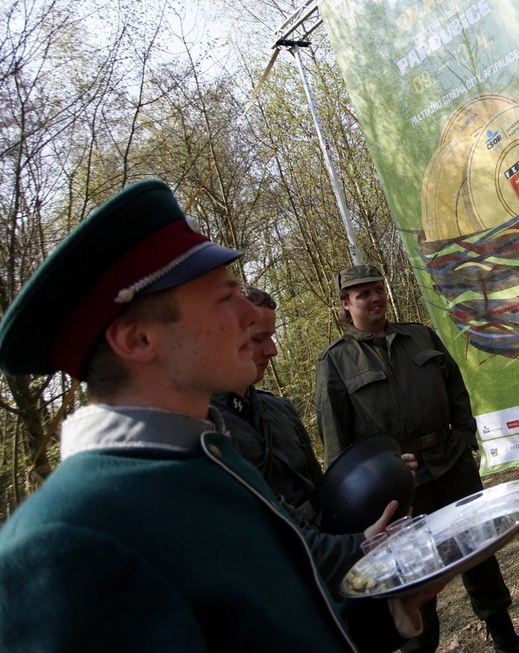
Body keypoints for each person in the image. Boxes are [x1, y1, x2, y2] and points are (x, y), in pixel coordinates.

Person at [0, 179, 415, 650]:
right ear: (138, 340)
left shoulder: (210, 460)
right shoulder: (60, 543)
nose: (247, 315)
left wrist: (390, 608)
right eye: (225, 297)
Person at [316, 264, 519, 653]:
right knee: (415, 575)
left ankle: (506, 639)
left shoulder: (418, 335)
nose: (375, 298)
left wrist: (463, 437)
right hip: (399, 486)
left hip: (450, 461)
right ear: (346, 304)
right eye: (362, 294)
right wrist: (374, 482)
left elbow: (455, 386)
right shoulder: (336, 361)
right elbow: (339, 446)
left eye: (378, 289)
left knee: (479, 550)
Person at [212, 285, 409, 653]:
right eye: (259, 338)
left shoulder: (279, 411)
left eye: (272, 335)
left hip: (335, 579)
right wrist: (360, 546)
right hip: (284, 603)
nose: (272, 350)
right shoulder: (207, 433)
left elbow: (325, 497)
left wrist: (382, 475)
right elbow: (266, 534)